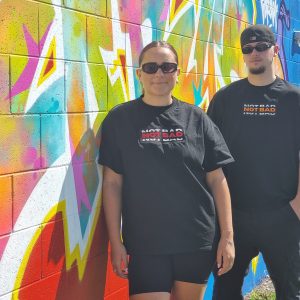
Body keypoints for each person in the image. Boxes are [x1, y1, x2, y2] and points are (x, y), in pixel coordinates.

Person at [98, 41, 235, 300]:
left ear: (177, 72)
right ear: (139, 74)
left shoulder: (197, 118)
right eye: (150, 67)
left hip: (195, 240)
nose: (159, 74)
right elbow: (112, 184)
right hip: (146, 242)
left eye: (167, 67)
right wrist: (115, 242)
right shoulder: (120, 119)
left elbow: (217, 179)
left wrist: (227, 237)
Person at [208, 24, 300, 300]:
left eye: (261, 47)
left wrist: (296, 206)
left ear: (274, 49)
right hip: (233, 217)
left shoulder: (294, 99)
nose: (255, 53)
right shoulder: (225, 99)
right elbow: (209, 156)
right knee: (225, 290)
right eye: (248, 49)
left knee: (290, 292)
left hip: (282, 214)